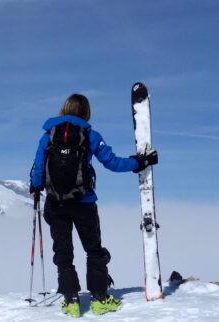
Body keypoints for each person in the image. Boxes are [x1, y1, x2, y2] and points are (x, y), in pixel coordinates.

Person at [29, 93, 158, 317]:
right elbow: (112, 162)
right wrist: (140, 162)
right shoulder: (90, 135)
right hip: (83, 203)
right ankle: (99, 299)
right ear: (86, 112)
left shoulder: (48, 135)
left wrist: (35, 186)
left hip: (55, 203)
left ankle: (71, 301)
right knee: (94, 250)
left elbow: (38, 166)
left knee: (63, 252)